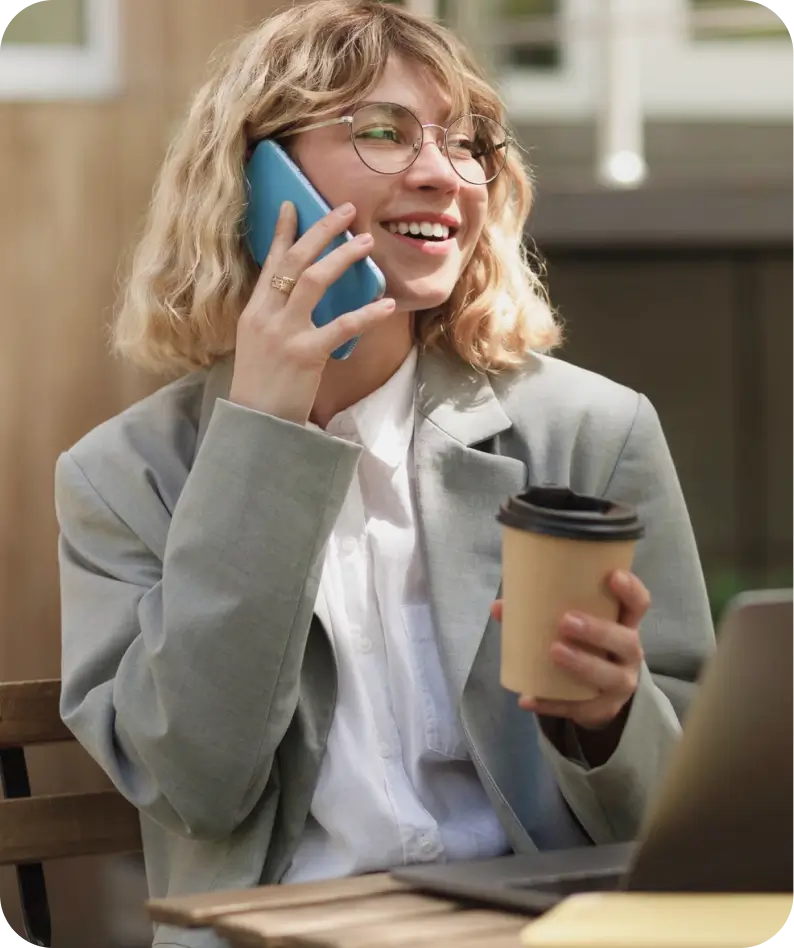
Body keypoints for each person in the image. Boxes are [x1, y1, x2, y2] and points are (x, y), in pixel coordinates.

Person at [54, 2, 714, 945]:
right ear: (256, 178)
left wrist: (608, 725)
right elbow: (195, 782)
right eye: (381, 133)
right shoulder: (123, 478)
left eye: (467, 143)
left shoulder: (592, 432)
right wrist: (263, 435)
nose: (444, 175)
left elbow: (689, 814)